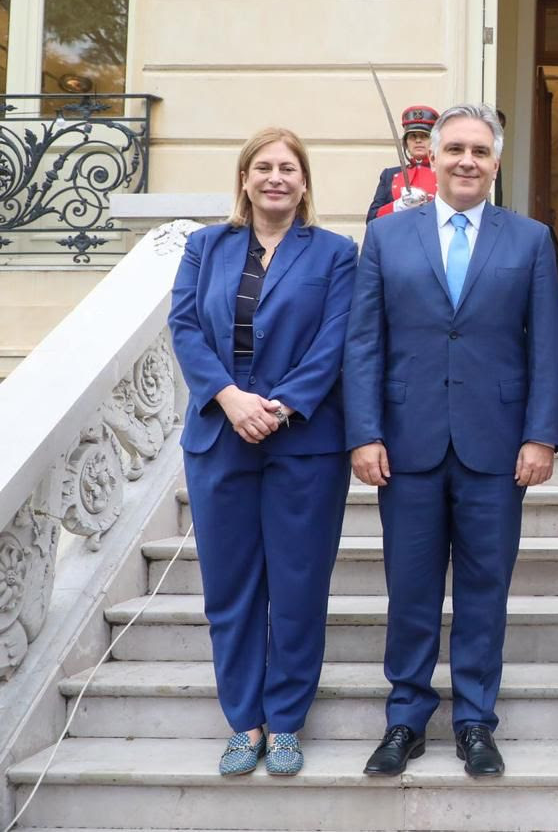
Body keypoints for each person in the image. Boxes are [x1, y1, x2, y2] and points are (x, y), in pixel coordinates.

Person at [344, 103, 558, 779]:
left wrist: (540, 435)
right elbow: (363, 341)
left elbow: (546, 345)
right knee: (409, 588)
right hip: (405, 444)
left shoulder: (528, 239)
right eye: (455, 149)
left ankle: (474, 721)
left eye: (480, 150)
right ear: (431, 159)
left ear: (496, 163)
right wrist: (364, 433)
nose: (467, 160)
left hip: (497, 447)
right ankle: (405, 717)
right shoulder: (387, 237)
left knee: (483, 588)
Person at [168, 127, 356, 777]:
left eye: (289, 168)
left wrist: (278, 404)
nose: (276, 177)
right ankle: (243, 719)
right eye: (264, 167)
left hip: (303, 441)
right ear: (244, 179)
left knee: (299, 585)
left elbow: (336, 340)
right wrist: (228, 396)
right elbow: (184, 325)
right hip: (220, 436)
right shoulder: (205, 247)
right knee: (230, 588)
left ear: (305, 183)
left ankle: (285, 721)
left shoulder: (336, 253)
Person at [366, 104, 439, 222]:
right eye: (412, 137)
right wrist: (397, 205)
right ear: (406, 144)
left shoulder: (445, 173)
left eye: (424, 136)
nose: (418, 140)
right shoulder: (389, 175)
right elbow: (372, 219)